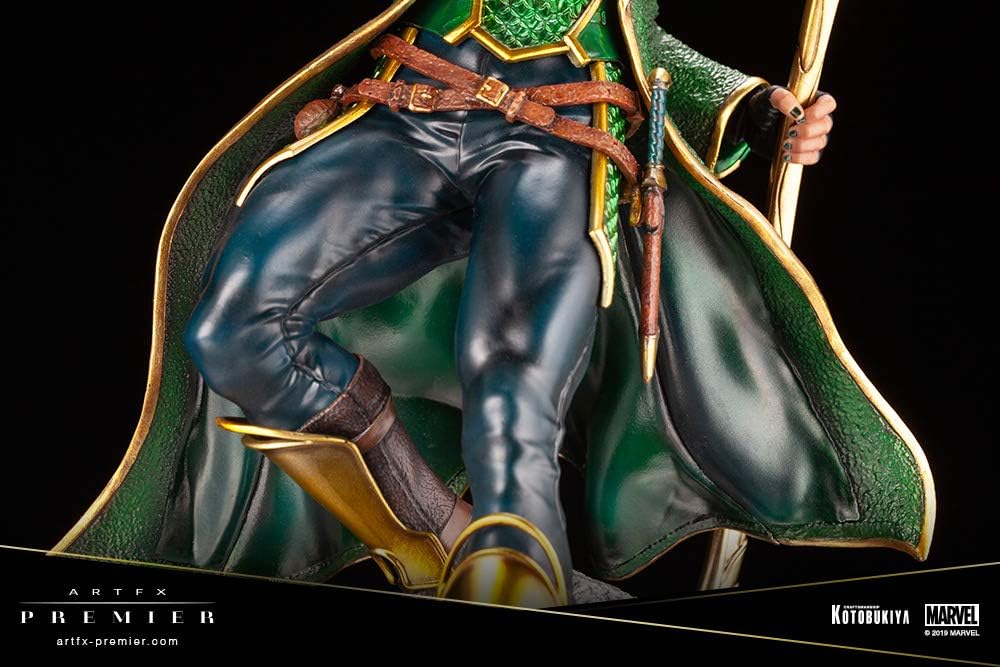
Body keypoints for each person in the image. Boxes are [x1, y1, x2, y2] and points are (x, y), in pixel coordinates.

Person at [56, 1, 934, 608]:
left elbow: (642, 37)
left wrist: (751, 109)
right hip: (405, 106)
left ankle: (515, 560)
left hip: (560, 134)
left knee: (514, 383)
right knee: (233, 328)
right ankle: (442, 534)